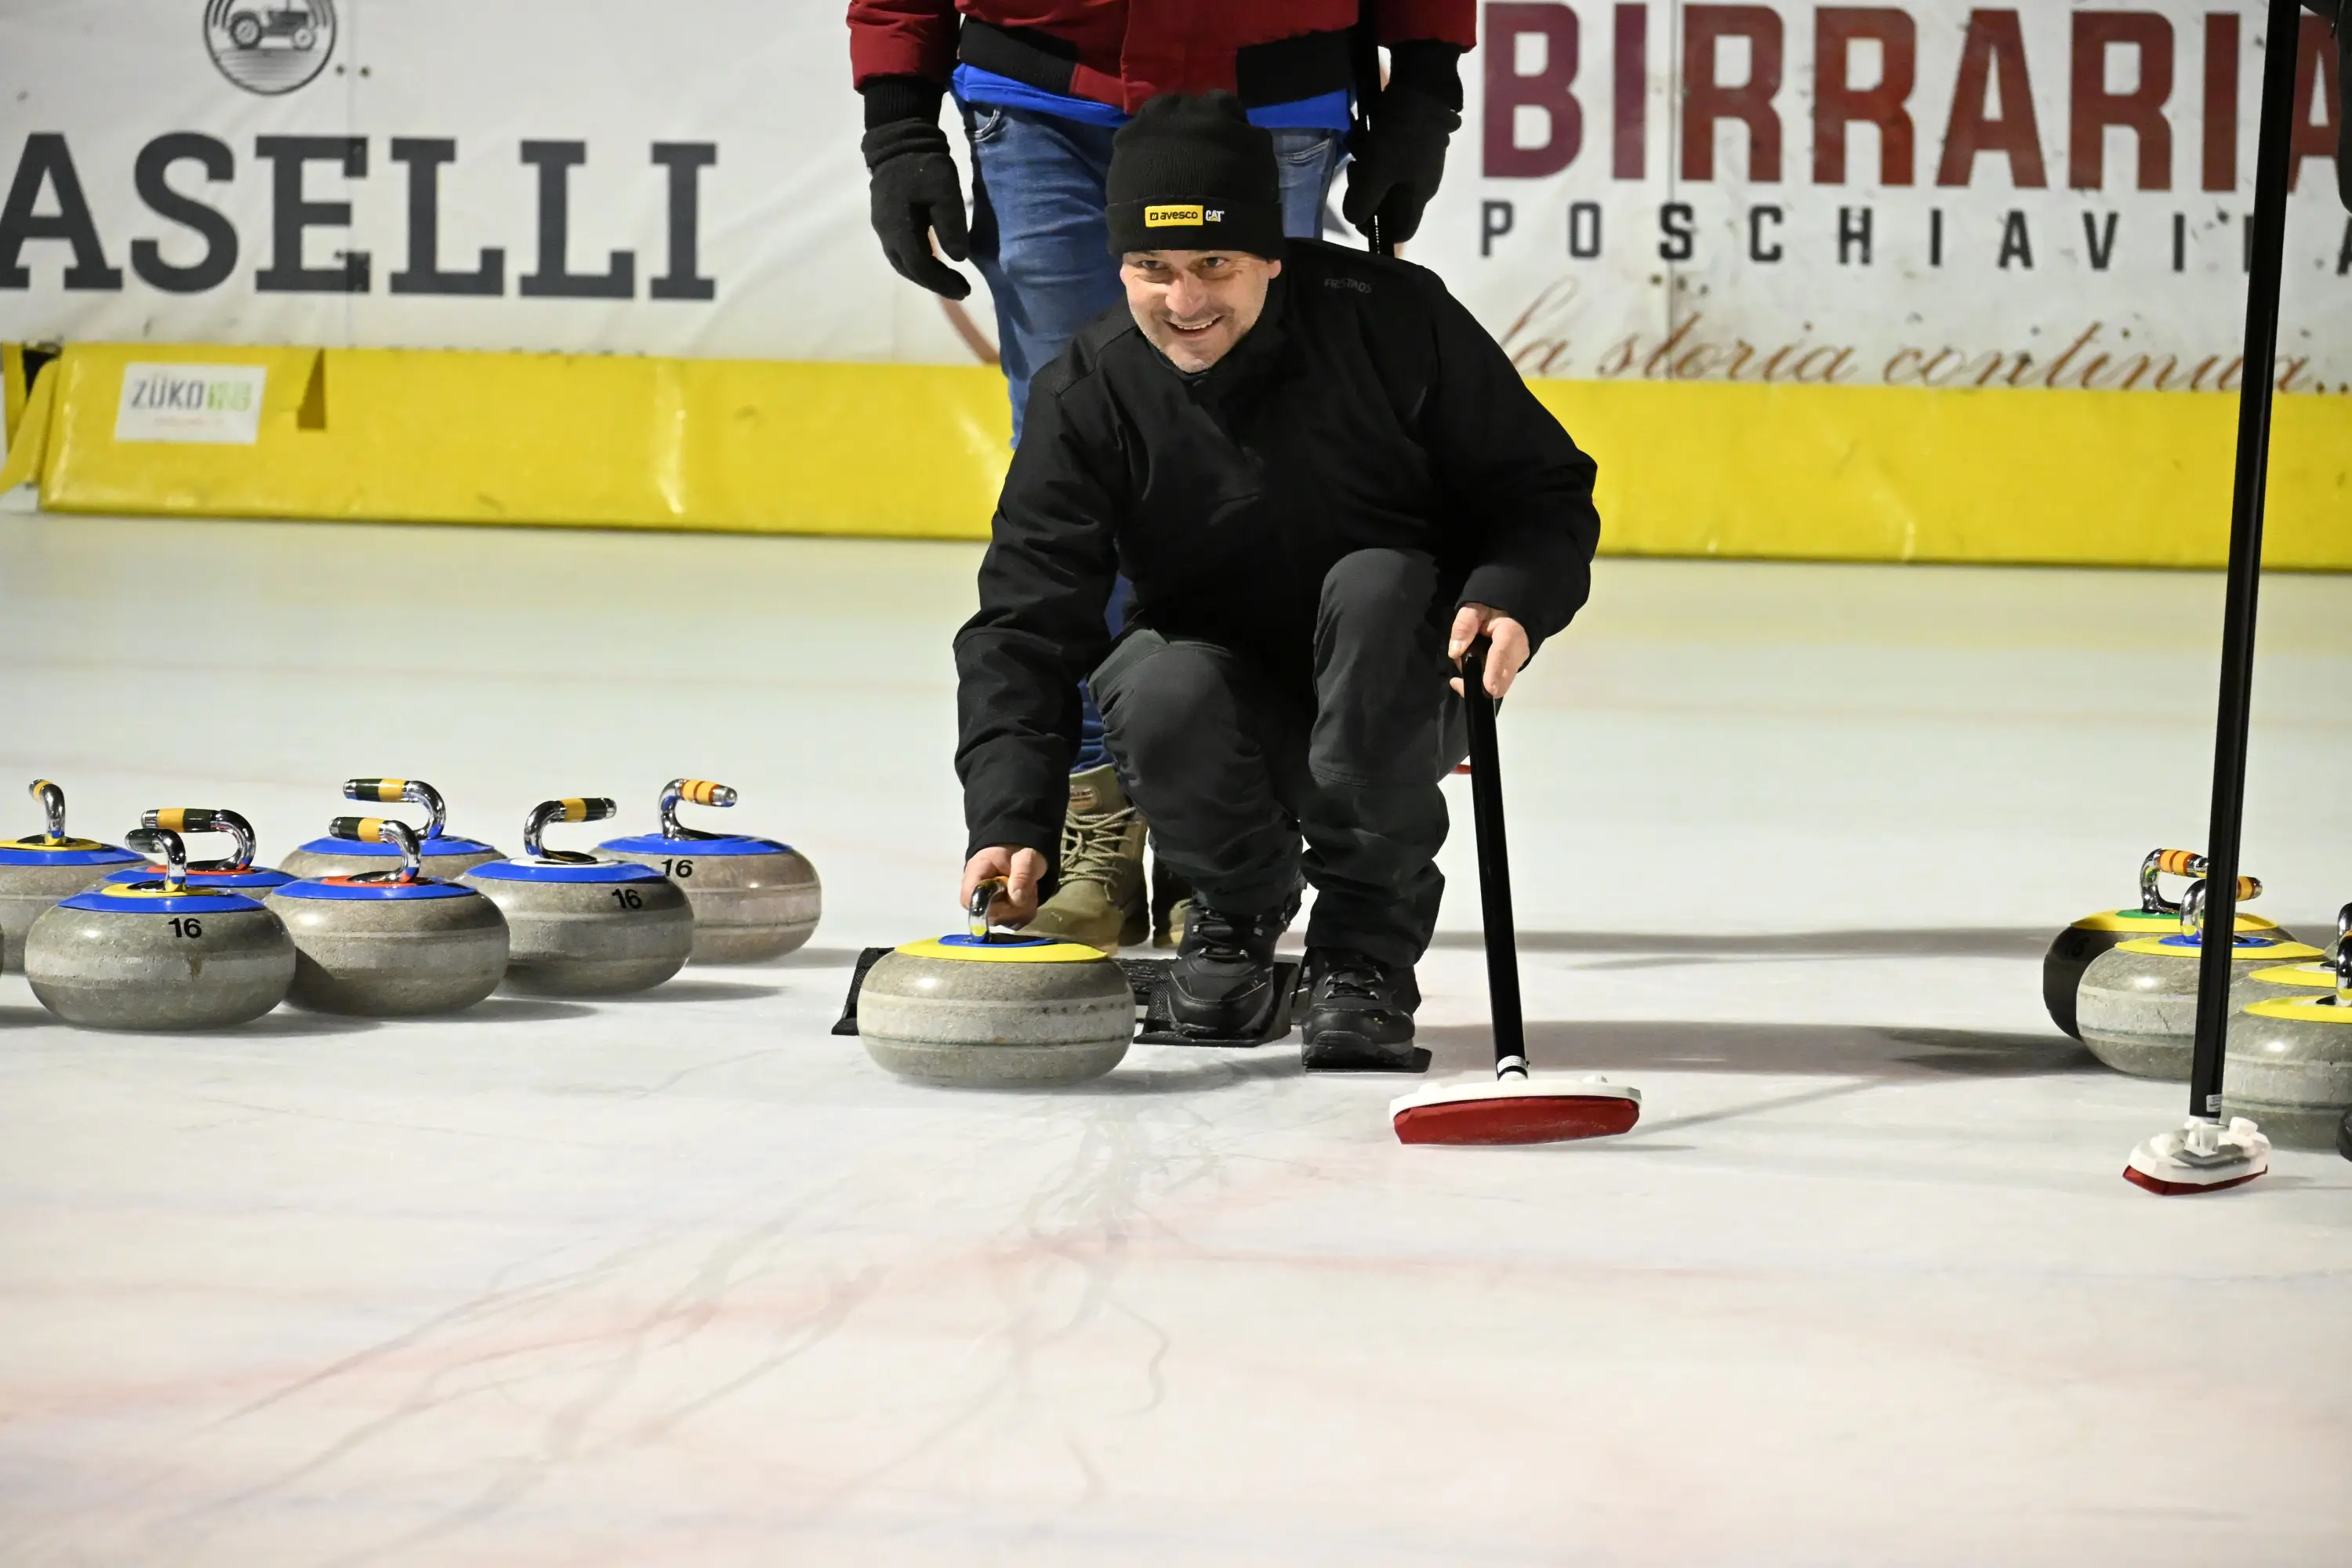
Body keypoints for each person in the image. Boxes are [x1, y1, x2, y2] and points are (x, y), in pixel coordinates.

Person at [951, 93, 1600, 1069]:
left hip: (1400, 677)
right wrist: (1009, 815)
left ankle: (1363, 953)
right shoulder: (1090, 391)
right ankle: (1234, 906)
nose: (1184, 300)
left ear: (1270, 253)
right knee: (1155, 681)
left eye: (1214, 263)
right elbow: (1025, 620)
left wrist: (1511, 590)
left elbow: (1542, 488)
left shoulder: (1392, 320)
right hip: (1221, 704)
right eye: (1151, 268)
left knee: (1378, 585)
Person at [848, 0, 1476, 953]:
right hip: (1049, 85)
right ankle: (1095, 810)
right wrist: (898, 120)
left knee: (1256, 455)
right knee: (1080, 451)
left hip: (1273, 86)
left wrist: (1424, 83)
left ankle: (1207, 822)